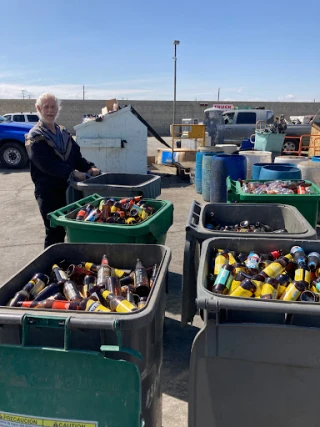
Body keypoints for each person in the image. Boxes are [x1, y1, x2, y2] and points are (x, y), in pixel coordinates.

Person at [26, 93, 100, 248]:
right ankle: (52, 267)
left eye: (53, 107)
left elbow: (76, 156)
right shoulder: (35, 136)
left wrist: (89, 167)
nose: (50, 110)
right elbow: (46, 164)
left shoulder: (63, 132)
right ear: (39, 109)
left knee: (73, 228)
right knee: (55, 232)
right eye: (46, 107)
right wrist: (71, 172)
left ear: (58, 109)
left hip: (69, 190)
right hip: (48, 192)